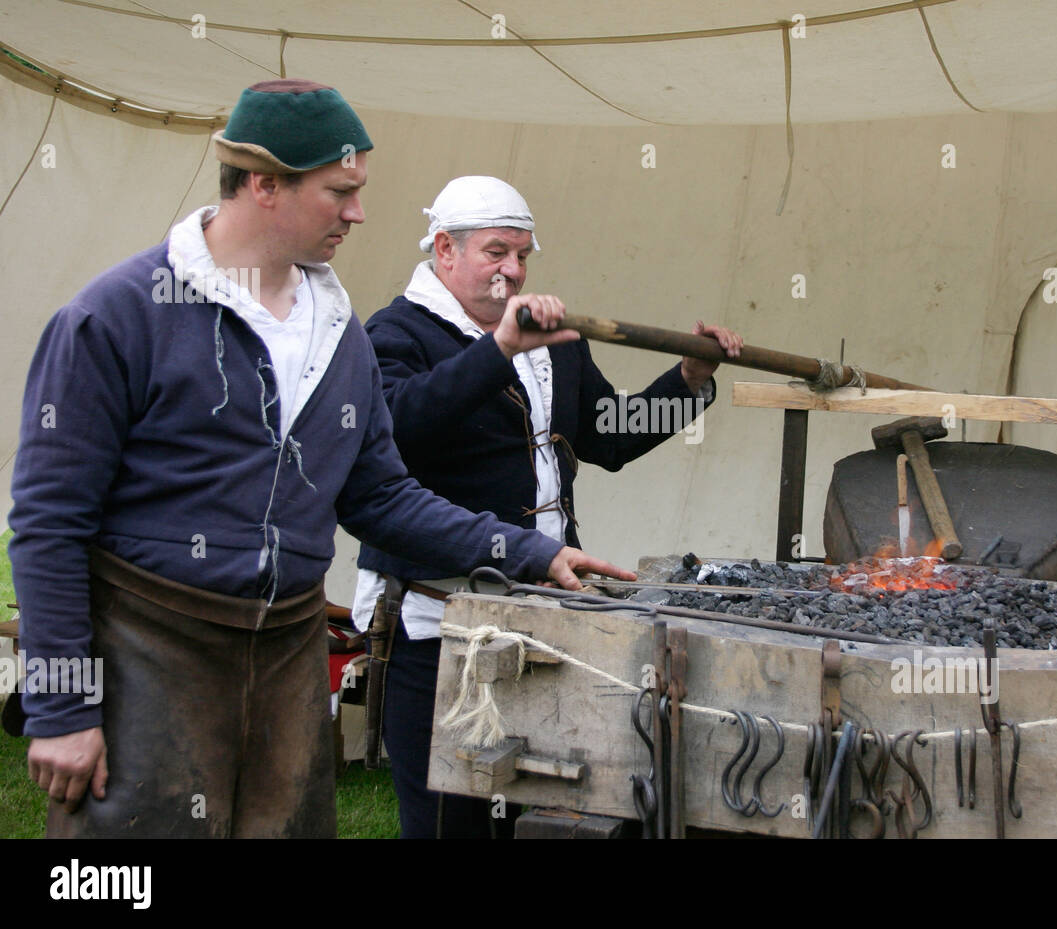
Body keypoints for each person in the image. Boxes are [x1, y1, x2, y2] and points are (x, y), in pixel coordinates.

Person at [9, 82, 631, 839]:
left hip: (288, 658)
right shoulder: (118, 316)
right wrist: (62, 707)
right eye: (341, 191)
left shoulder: (339, 335)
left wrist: (533, 551)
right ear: (266, 184)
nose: (358, 212)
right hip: (150, 654)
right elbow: (48, 523)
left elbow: (381, 496)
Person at [352, 175, 742, 837]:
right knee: (450, 821)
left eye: (524, 255)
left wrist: (687, 381)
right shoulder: (394, 333)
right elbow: (398, 426)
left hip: (539, 614)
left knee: (522, 804)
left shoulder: (556, 340)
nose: (514, 269)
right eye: (496, 252)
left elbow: (609, 437)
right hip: (436, 623)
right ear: (444, 249)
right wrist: (498, 349)